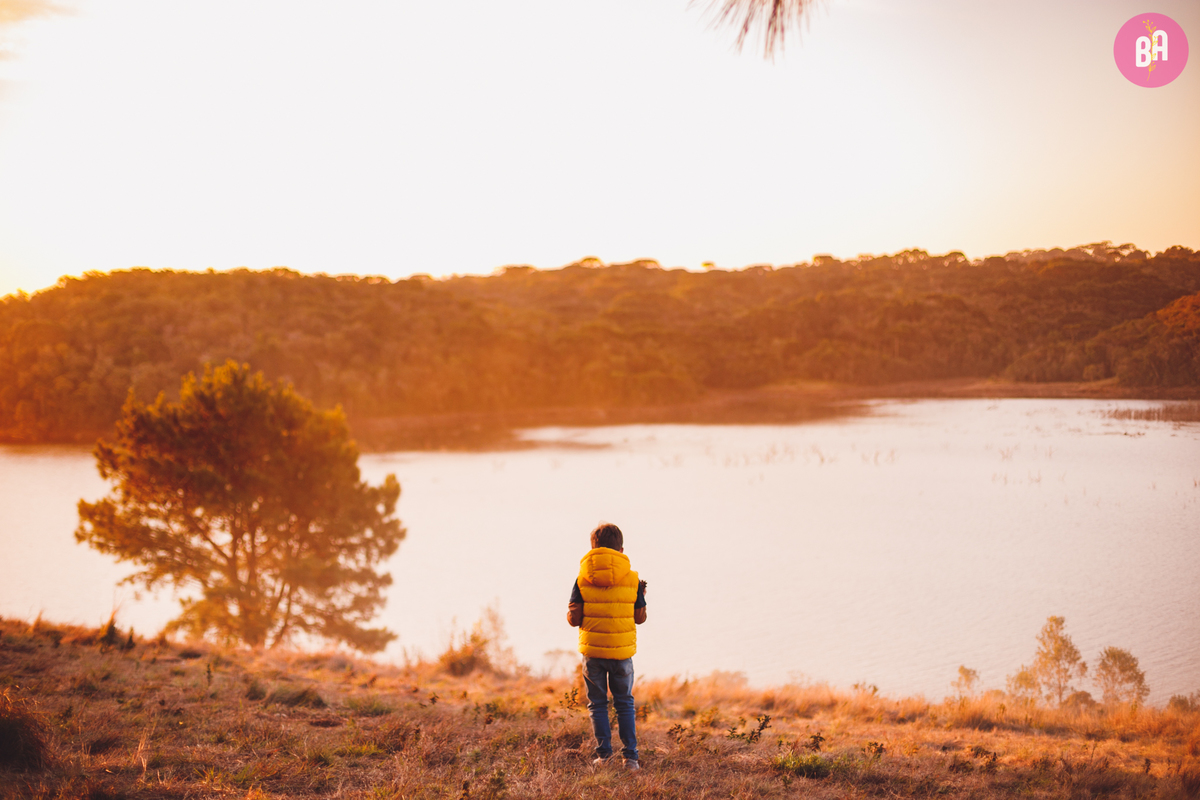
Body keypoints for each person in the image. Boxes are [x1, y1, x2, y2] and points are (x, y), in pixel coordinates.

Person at [567, 522, 648, 771]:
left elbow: (574, 620)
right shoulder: (633, 579)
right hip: (622, 653)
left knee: (598, 703)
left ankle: (604, 757)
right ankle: (630, 759)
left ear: (593, 549)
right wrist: (640, 595)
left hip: (593, 653)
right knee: (624, 703)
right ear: (621, 550)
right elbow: (640, 618)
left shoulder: (582, 579)